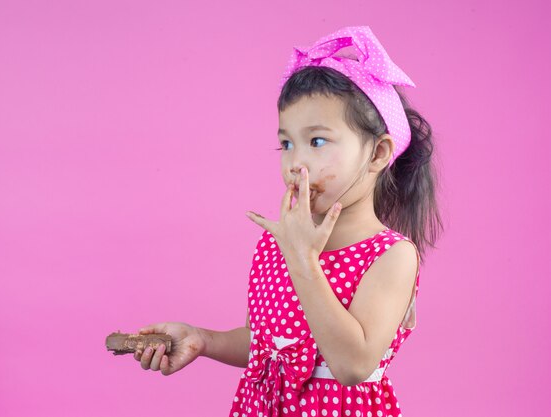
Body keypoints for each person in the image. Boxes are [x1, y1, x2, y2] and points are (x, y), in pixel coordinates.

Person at [133, 25, 443, 417]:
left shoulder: (391, 256)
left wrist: (302, 258)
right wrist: (202, 340)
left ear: (379, 154)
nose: (295, 162)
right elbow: (269, 345)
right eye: (286, 143)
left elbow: (352, 365)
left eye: (316, 141)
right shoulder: (276, 243)